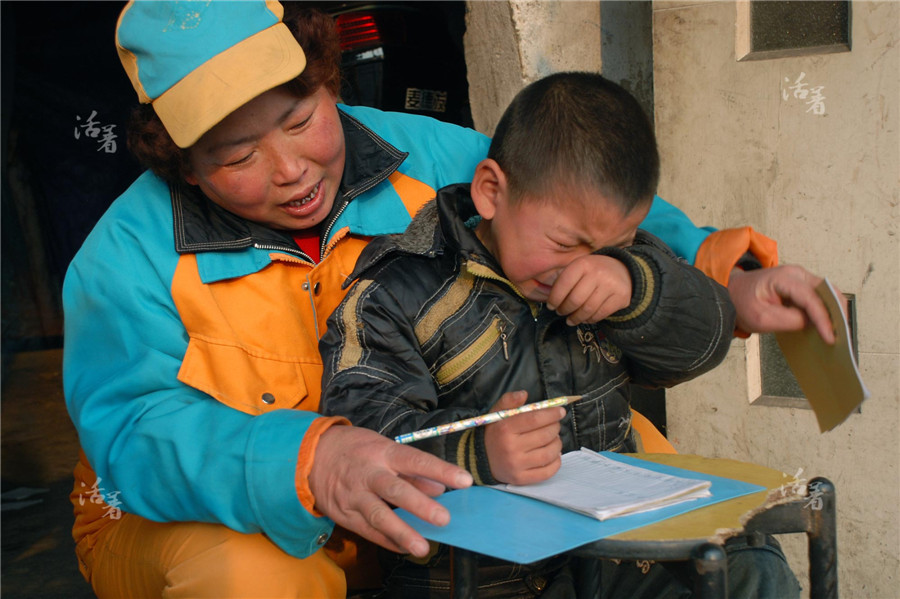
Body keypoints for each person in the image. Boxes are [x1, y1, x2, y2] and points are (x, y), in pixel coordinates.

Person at [63, 1, 822, 596]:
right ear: (186, 167)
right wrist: (305, 458)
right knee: (250, 576)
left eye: (301, 121)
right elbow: (133, 435)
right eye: (238, 156)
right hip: (208, 510)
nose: (290, 169)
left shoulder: (431, 156)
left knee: (691, 516)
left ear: (331, 82)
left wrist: (720, 271)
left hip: (447, 468)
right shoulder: (123, 260)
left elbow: (571, 197)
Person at [319, 72, 798, 598]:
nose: (583, 268)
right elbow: (363, 431)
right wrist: (477, 451)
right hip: (469, 576)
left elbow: (699, 344)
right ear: (491, 192)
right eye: (566, 243)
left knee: (747, 561)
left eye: (612, 245)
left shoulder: (620, 271)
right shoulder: (394, 293)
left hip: (608, 549)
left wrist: (638, 287)